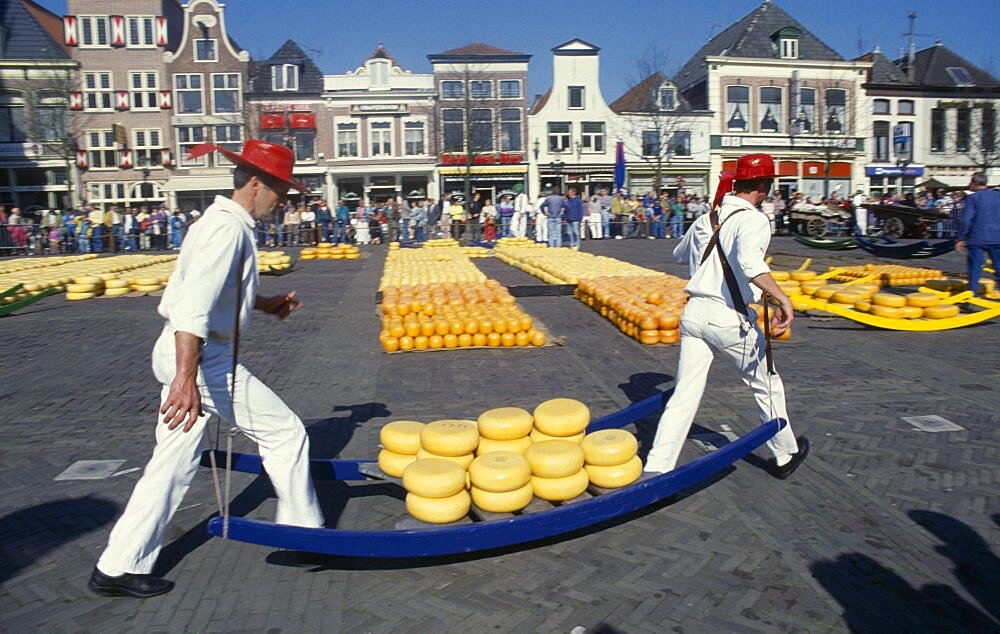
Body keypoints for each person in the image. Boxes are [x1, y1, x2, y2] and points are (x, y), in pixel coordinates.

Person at [89, 140, 323, 599]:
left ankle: (117, 565)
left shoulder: (220, 223)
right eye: (281, 191)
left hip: (193, 355)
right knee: (286, 432)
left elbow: (211, 287)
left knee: (171, 465)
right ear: (257, 184)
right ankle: (303, 532)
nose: (283, 202)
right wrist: (185, 378)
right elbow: (193, 306)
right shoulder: (227, 230)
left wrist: (264, 303)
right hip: (202, 359)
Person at [643, 153, 808, 480]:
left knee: (685, 392)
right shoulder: (754, 220)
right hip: (729, 318)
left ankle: (657, 466)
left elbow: (678, 255)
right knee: (766, 383)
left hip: (693, 315)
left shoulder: (707, 219)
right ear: (763, 186)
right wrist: (783, 299)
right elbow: (750, 263)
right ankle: (784, 454)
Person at [956, 172, 1000, 297]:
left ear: (975, 183)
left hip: (977, 237)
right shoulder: (998, 196)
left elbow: (966, 220)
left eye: (971, 182)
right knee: (999, 266)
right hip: (997, 236)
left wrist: (961, 238)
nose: (969, 184)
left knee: (975, 268)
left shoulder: (973, 198)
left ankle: (972, 295)